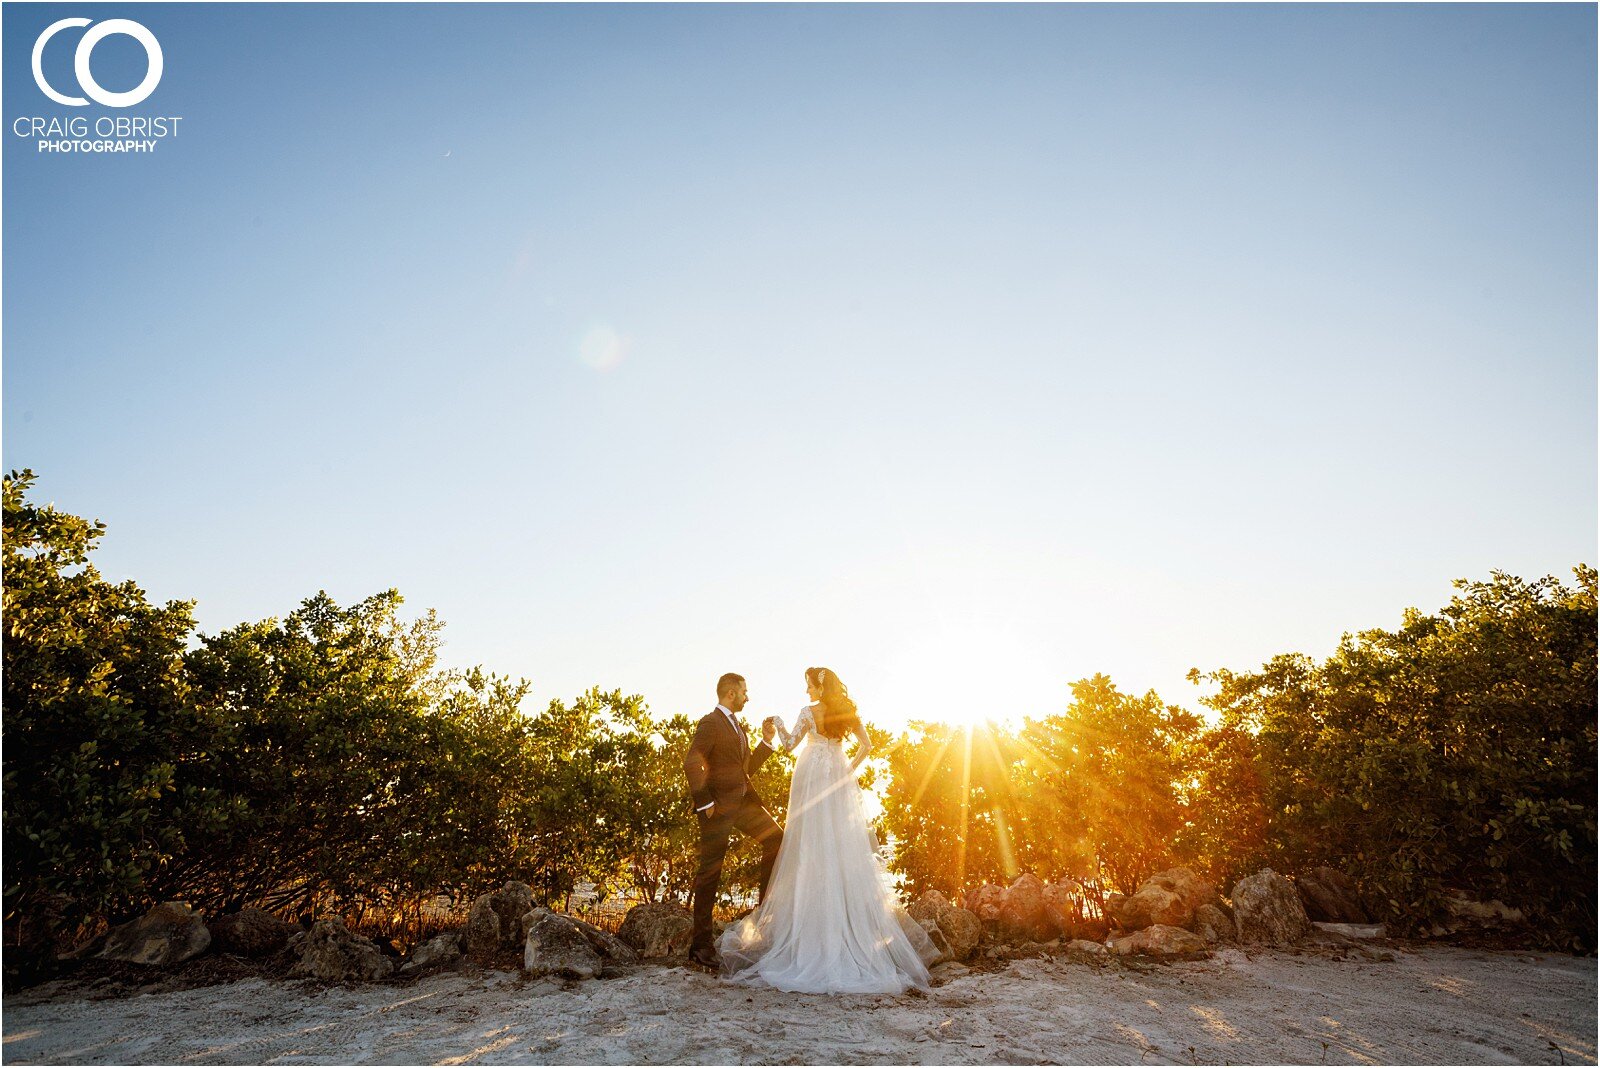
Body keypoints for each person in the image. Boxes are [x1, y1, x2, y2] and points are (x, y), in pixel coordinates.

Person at [718, 666, 939, 994]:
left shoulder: (808, 713)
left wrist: (778, 724)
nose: (807, 691)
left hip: (810, 778)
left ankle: (810, 932)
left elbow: (790, 745)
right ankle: (846, 926)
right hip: (835, 777)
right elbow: (867, 745)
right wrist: (846, 769)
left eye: (809, 685)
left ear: (819, 687)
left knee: (809, 847)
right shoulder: (845, 712)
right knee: (840, 847)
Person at [682, 672, 783, 971]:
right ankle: (700, 947)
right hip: (716, 809)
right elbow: (692, 761)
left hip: (742, 804)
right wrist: (705, 803)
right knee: (709, 873)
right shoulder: (711, 722)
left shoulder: (737, 726)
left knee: (777, 839)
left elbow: (745, 768)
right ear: (730, 694)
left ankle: (763, 912)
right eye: (744, 692)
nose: (747, 697)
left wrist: (766, 742)